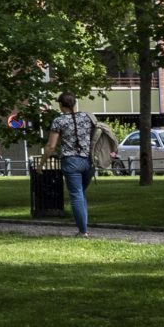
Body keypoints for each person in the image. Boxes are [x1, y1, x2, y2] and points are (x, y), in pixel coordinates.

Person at [50, 94, 100, 235]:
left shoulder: (59, 121)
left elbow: (51, 146)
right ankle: (83, 228)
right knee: (81, 193)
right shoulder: (87, 117)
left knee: (77, 195)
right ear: (74, 103)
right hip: (88, 160)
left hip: (71, 161)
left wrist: (41, 163)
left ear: (61, 105)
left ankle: (83, 231)